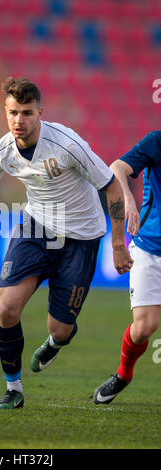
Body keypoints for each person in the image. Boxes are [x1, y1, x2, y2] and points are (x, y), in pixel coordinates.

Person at [0, 76, 133, 409]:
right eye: (13, 112)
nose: (19, 120)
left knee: (60, 328)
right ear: (5, 111)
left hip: (82, 238)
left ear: (40, 112)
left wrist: (117, 244)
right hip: (37, 227)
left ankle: (57, 341)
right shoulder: (0, 152)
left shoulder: (68, 145)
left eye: (27, 113)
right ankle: (14, 389)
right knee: (6, 307)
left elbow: (112, 188)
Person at [93, 131, 161, 404]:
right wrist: (128, 199)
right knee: (144, 327)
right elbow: (117, 168)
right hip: (150, 247)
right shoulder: (157, 141)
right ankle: (123, 374)